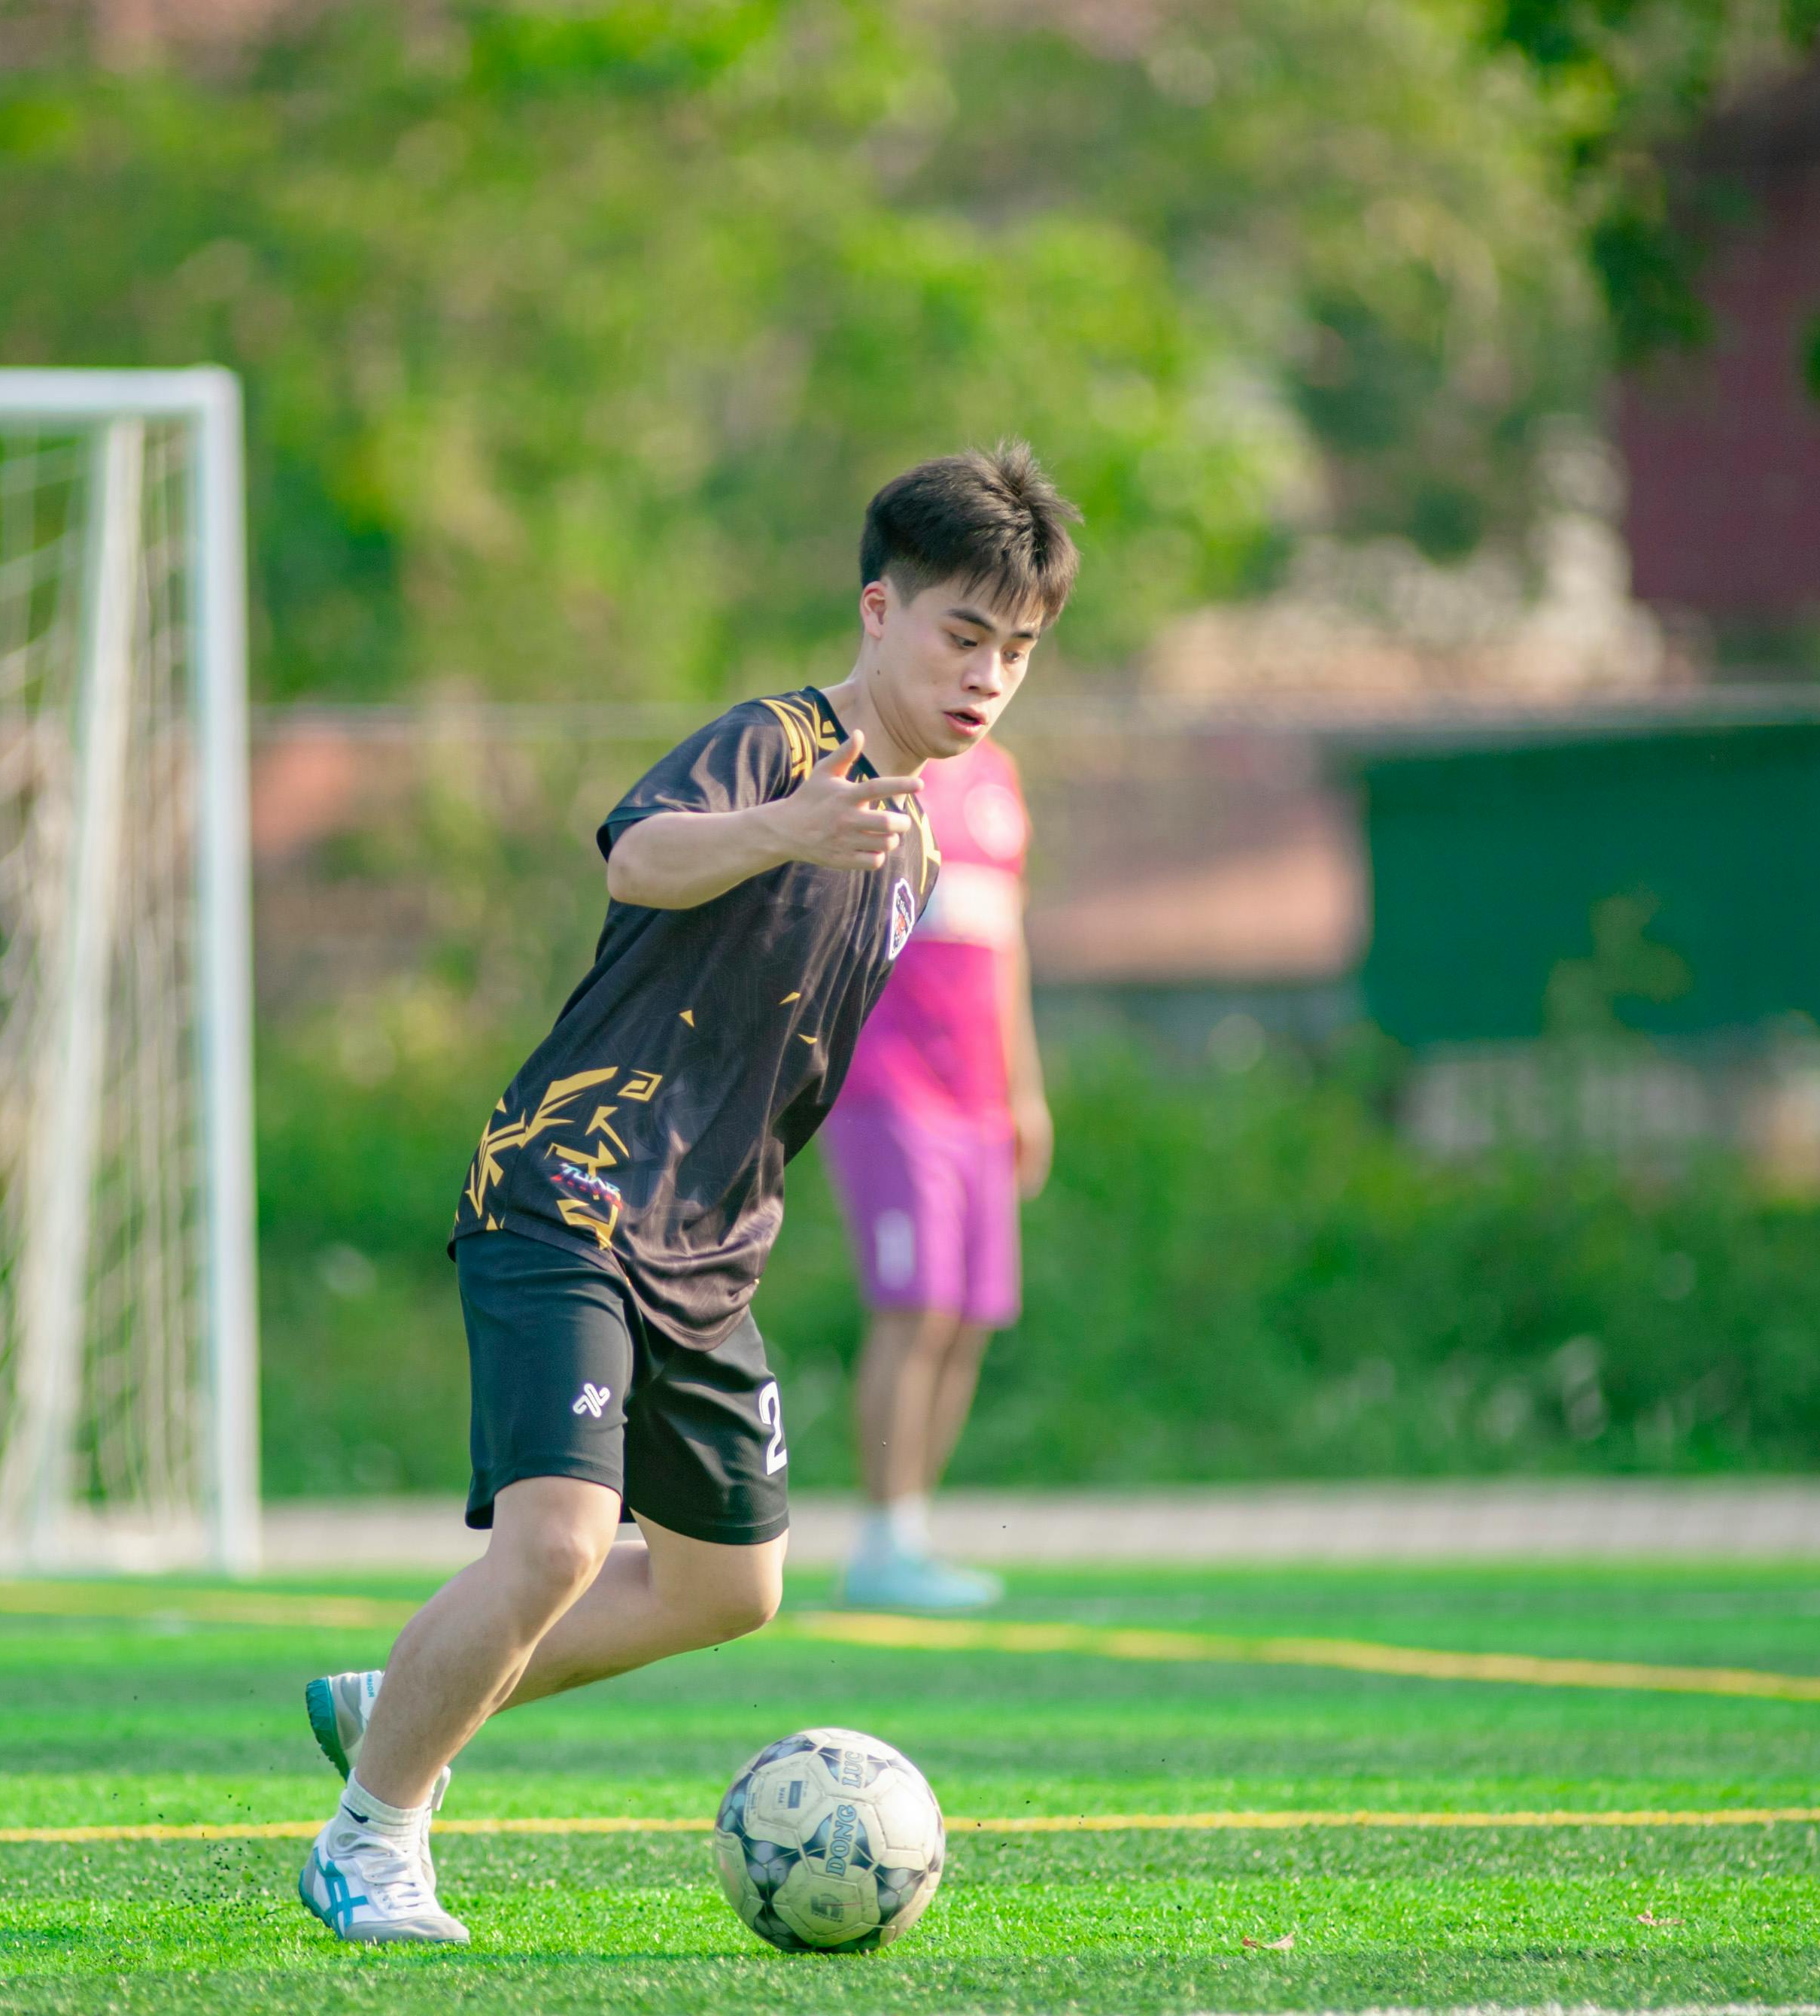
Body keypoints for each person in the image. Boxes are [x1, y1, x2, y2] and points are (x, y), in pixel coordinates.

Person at [293, 445, 1083, 1945]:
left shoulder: (916, 835)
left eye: (1018, 650)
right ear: (878, 610)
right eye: (960, 634)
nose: (988, 674)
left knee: (733, 1583)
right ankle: (370, 1839)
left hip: (708, 1250)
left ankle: (407, 1694)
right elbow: (640, 855)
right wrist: (782, 824)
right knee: (559, 1541)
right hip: (571, 1191)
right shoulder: (780, 743)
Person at [823, 726, 1045, 1611]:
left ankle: (911, 1532)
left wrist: (1023, 1089)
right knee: (913, 1308)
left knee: (966, 1318)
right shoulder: (879, 772)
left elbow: (1007, 944)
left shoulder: (998, 777)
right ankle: (883, 1539)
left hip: (980, 1102)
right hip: (891, 1091)